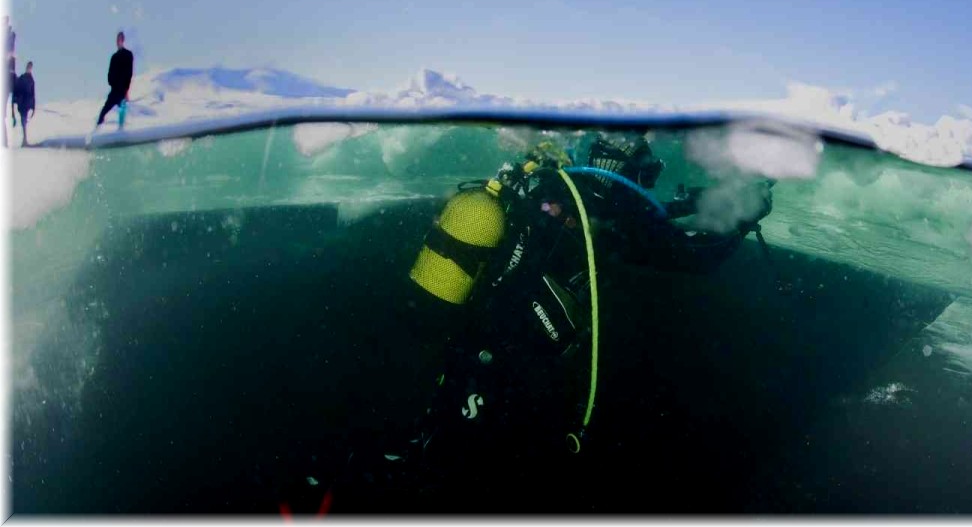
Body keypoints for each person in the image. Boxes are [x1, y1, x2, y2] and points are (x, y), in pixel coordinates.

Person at [276, 132, 774, 513]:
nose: (646, 184)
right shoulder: (612, 209)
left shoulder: (556, 188)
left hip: (474, 344)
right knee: (449, 466)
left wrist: (711, 201)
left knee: (426, 433)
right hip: (513, 369)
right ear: (625, 170)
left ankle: (337, 475)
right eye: (647, 172)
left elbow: (654, 216)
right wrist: (747, 215)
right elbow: (691, 254)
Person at [96, 31, 133, 128]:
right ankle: (97, 129)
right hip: (114, 90)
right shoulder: (114, 57)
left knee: (122, 112)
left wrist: (126, 89)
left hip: (122, 90)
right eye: (117, 39)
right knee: (104, 111)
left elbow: (129, 73)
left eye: (119, 39)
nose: (118, 41)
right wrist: (112, 83)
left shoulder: (128, 55)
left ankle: (122, 130)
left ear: (123, 40)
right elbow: (110, 74)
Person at [13, 61, 35, 147]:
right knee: (23, 121)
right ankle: (24, 140)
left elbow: (33, 94)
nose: (29, 69)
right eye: (28, 67)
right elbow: (17, 90)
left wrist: (33, 106)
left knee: (24, 121)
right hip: (23, 103)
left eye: (30, 67)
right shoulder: (22, 78)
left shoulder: (31, 79)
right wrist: (16, 100)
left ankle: (24, 140)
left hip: (26, 104)